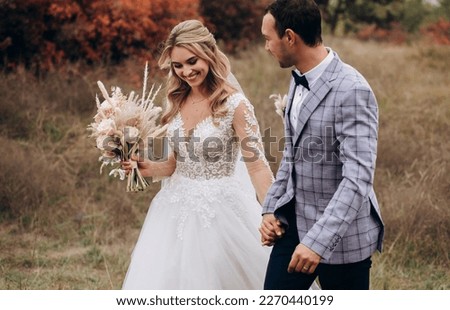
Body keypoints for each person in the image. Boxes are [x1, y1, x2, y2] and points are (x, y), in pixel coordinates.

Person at [121, 19, 274, 289]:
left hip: (221, 213)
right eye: (177, 66)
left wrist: (272, 211)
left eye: (192, 61)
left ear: (209, 54)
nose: (186, 72)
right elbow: (170, 164)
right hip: (172, 210)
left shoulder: (236, 105)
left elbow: (258, 167)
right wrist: (143, 165)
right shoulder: (174, 102)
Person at [259, 0, 384, 290]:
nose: (266, 47)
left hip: (342, 237)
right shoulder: (299, 78)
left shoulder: (352, 90)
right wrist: (270, 210)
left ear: (290, 37)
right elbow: (291, 156)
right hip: (294, 225)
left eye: (268, 38)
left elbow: (358, 179)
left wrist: (318, 242)